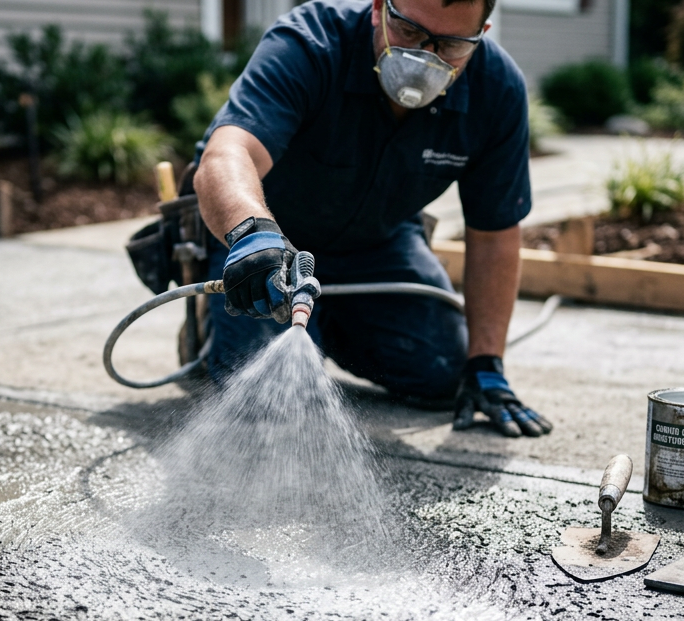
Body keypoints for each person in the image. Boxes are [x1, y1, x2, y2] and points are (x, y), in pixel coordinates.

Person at [193, 0, 552, 438]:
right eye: (409, 33)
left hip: (379, 240)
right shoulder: (309, 44)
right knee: (260, 397)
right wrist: (250, 231)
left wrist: (488, 364)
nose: (426, 58)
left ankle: (323, 325)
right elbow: (226, 154)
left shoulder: (496, 89)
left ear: (482, 33)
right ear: (380, 9)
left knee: (444, 372)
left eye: (451, 45)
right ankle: (213, 324)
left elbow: (494, 235)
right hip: (269, 242)